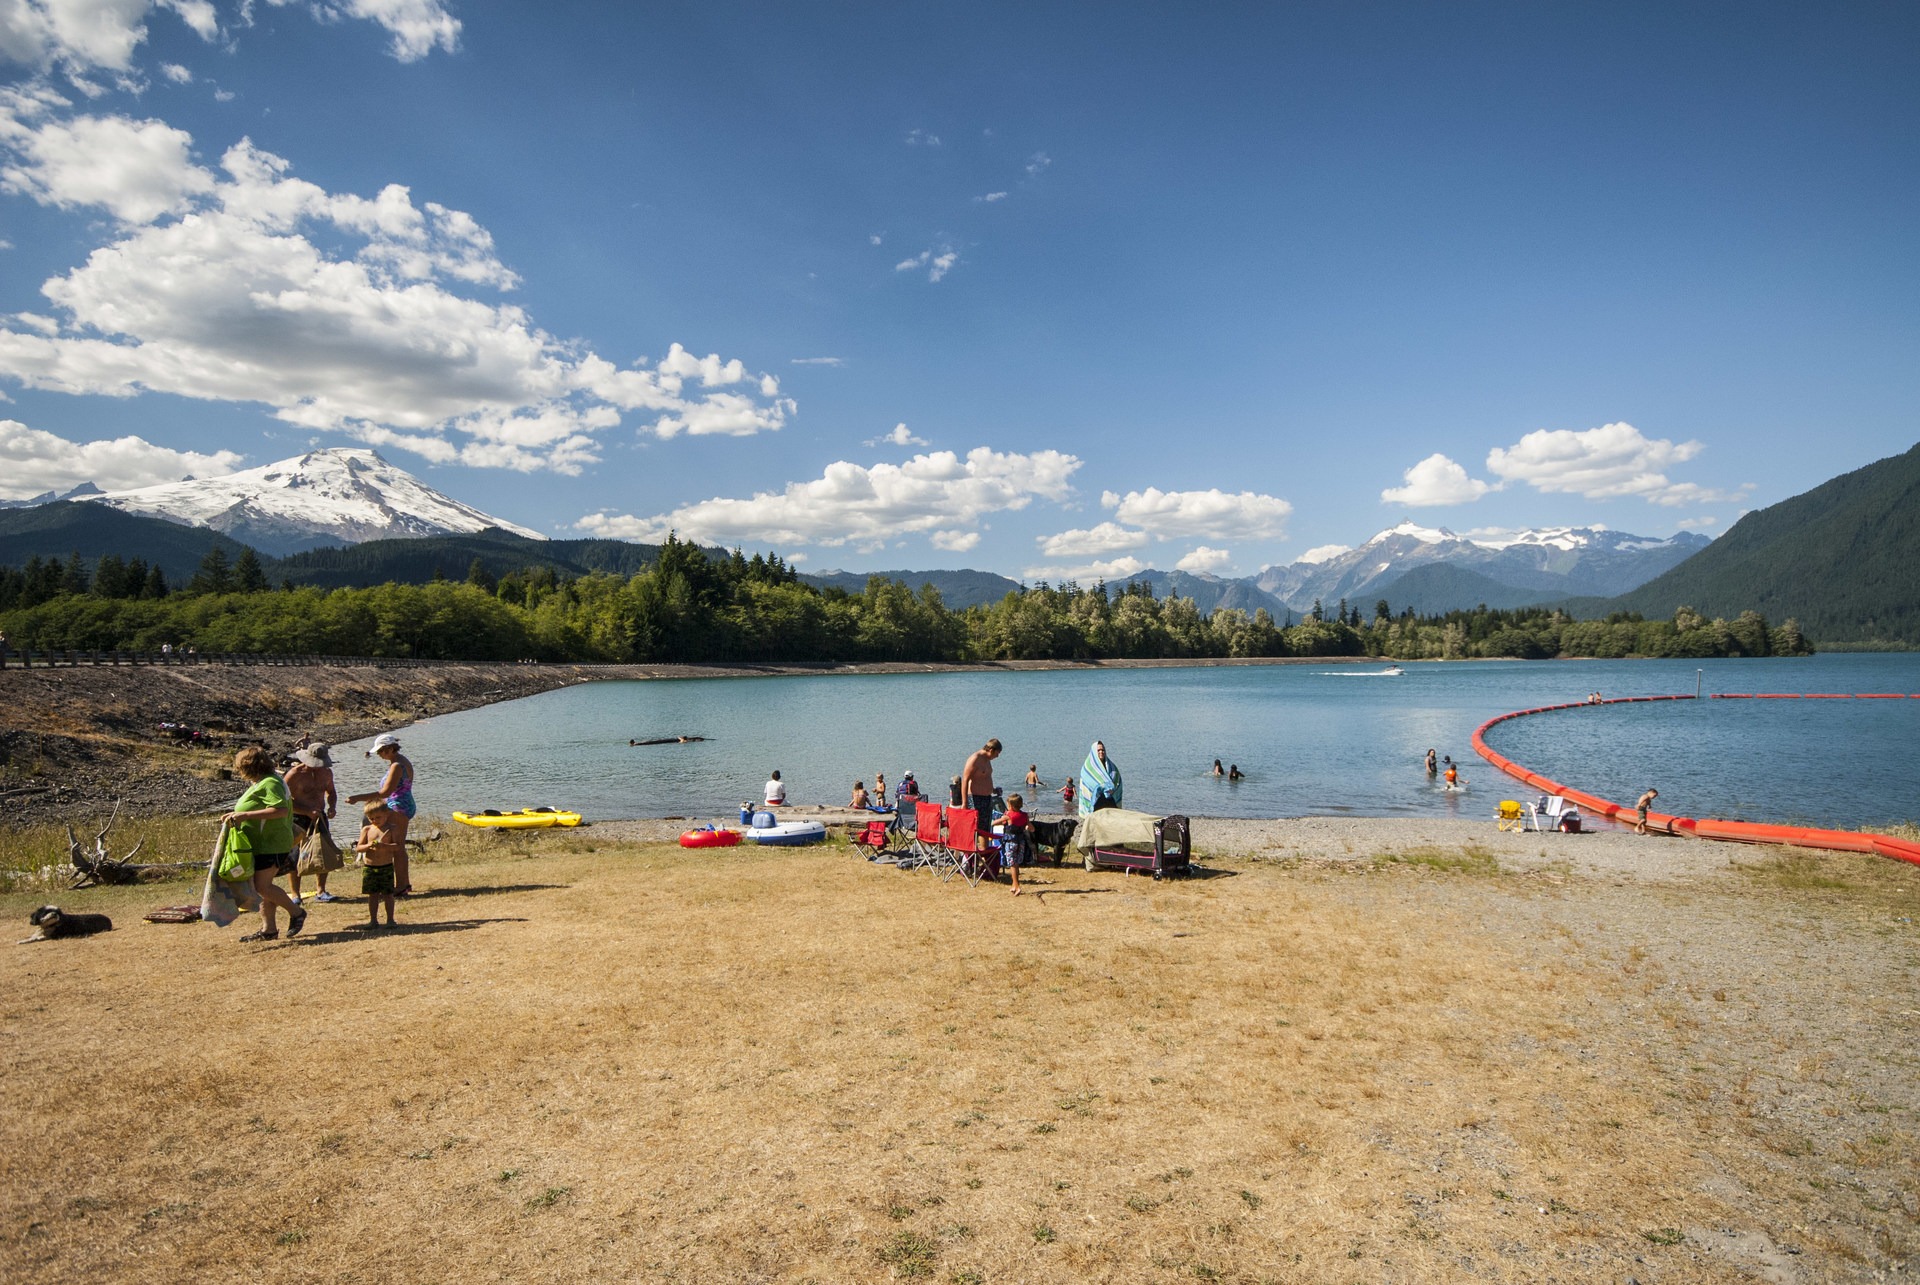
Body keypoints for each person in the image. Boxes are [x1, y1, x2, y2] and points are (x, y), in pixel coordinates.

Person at [224, 746, 302, 942]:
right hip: (261, 844)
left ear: (248, 766)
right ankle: (269, 930)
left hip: (272, 843)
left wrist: (245, 815)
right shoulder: (262, 782)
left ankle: (296, 912)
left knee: (262, 887)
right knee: (262, 887)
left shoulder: (271, 783)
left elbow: (280, 810)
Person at [347, 733, 415, 897]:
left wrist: (358, 798)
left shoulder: (397, 765)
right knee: (398, 846)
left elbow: (385, 792)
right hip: (402, 804)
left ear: (390, 749)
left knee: (397, 847)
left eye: (381, 751)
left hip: (398, 807)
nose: (379, 754)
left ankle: (401, 886)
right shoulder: (400, 761)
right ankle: (403, 884)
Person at [284, 743, 339, 903]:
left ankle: (321, 891)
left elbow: (331, 792)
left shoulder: (327, 772)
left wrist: (332, 807)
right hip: (298, 818)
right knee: (295, 855)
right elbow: (283, 801)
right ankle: (295, 894)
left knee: (323, 851)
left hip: (319, 817)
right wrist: (306, 811)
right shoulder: (294, 774)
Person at [351, 801, 403, 929]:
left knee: (388, 894)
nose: (375, 821)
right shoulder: (367, 829)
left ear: (386, 814)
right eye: (371, 818)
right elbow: (358, 848)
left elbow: (397, 846)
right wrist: (369, 845)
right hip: (370, 867)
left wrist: (384, 846)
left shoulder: (392, 828)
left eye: (378, 817)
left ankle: (390, 920)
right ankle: (373, 920)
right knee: (373, 895)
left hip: (386, 867)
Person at [960, 738, 1002, 836]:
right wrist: (964, 803)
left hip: (987, 799)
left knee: (985, 830)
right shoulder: (975, 759)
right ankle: (971, 846)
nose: (997, 756)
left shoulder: (987, 760)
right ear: (991, 750)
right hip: (975, 799)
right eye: (997, 753)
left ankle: (984, 846)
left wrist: (994, 790)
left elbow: (984, 778)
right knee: (974, 829)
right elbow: (965, 780)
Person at [999, 792, 1031, 895]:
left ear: (1011, 806)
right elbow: (1031, 828)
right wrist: (1026, 826)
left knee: (1012, 864)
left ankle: (1017, 886)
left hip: (1011, 842)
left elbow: (995, 823)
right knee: (1016, 864)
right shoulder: (1024, 815)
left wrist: (1002, 818)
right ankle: (1014, 884)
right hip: (1021, 842)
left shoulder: (1008, 815)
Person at [1077, 740, 1121, 816]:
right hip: (1096, 802)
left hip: (1109, 800)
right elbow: (1088, 784)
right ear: (1094, 752)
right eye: (1098, 750)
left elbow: (1117, 780)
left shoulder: (1112, 767)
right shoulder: (1087, 768)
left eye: (1103, 750)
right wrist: (1103, 787)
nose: (1101, 752)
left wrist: (1112, 788)